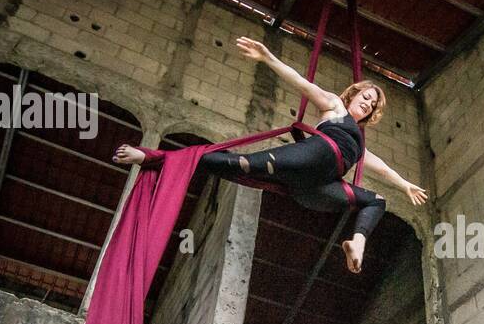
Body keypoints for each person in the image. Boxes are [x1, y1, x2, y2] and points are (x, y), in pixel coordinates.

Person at [113, 36, 427, 273]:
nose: (368, 104)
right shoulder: (335, 106)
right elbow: (302, 83)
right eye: (366, 97)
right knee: (241, 165)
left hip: (316, 188)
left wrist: (405, 185)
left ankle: (356, 243)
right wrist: (268, 58)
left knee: (377, 200)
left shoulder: (359, 144)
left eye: (373, 105)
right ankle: (154, 157)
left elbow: (382, 169)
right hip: (313, 156)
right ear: (354, 93)